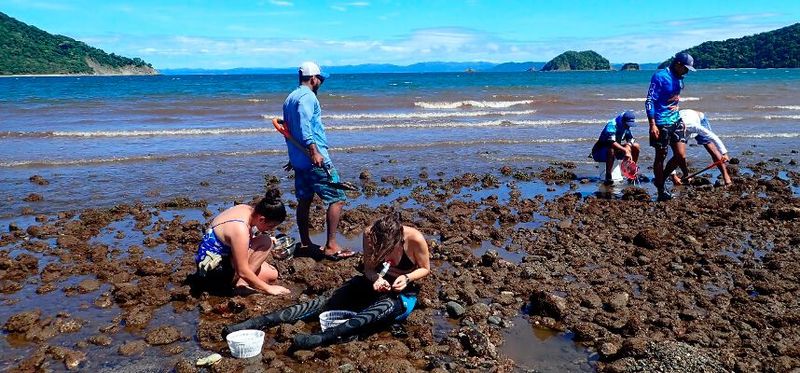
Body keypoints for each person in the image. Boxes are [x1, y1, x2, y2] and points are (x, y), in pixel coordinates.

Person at [222, 213, 431, 350]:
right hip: (373, 283)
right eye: (377, 247)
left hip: (401, 292)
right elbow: (368, 268)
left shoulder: (414, 239)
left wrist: (406, 277)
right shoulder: (369, 234)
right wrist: (375, 278)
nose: (381, 253)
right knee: (323, 302)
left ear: (399, 240)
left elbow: (425, 269)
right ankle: (256, 323)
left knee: (377, 311)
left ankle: (324, 338)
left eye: (386, 250)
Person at [282, 61, 354, 260]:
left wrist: (293, 157)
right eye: (320, 79)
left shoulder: (290, 98)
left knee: (304, 200)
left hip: (300, 160)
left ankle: (305, 243)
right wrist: (314, 151)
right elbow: (305, 126)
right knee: (337, 198)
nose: (321, 82)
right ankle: (331, 245)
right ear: (313, 78)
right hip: (315, 159)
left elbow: (288, 132)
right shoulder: (308, 97)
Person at [193, 188, 291, 295]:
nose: (271, 229)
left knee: (271, 270)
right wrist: (269, 289)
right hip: (215, 274)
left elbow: (242, 236)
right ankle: (241, 285)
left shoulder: (245, 209)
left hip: (207, 260)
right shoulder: (240, 230)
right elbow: (242, 271)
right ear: (261, 219)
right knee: (269, 267)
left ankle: (241, 281)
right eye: (270, 226)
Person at [645, 52, 696, 201]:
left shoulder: (680, 79)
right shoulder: (660, 76)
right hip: (660, 123)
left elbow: (675, 102)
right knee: (660, 157)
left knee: (680, 155)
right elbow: (649, 101)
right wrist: (652, 124)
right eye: (685, 68)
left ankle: (660, 180)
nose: (687, 71)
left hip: (676, 121)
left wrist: (680, 118)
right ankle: (661, 190)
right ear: (677, 64)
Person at [670, 109, 732, 186]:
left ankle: (726, 178)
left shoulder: (694, 126)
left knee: (711, 148)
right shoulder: (672, 131)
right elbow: (671, 152)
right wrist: (673, 175)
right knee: (679, 153)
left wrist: (724, 153)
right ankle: (686, 175)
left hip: (699, 119)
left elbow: (713, 137)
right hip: (682, 120)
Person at [591, 110, 640, 184]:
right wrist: (625, 150)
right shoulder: (612, 125)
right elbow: (611, 142)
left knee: (636, 146)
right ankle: (608, 176)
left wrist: (628, 146)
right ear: (623, 121)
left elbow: (631, 139)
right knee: (611, 148)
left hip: (615, 151)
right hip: (600, 152)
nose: (628, 126)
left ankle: (632, 171)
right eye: (627, 124)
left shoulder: (625, 127)